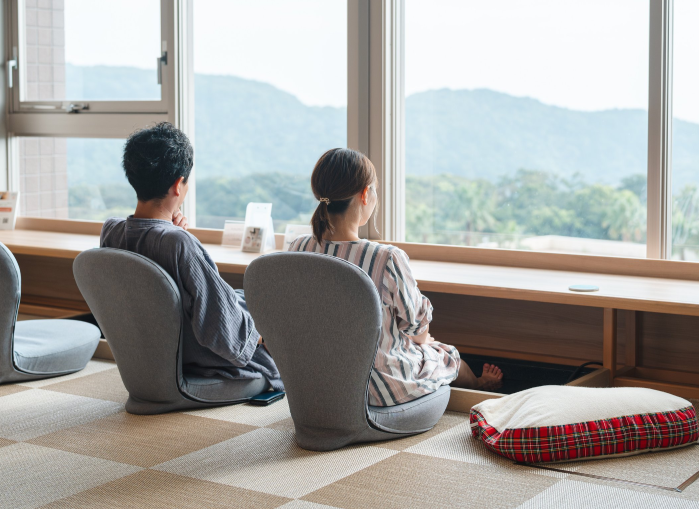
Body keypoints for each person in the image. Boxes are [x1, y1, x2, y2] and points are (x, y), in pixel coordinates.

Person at [287, 147, 501, 407]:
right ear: (365, 194)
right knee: (447, 355)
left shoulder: (298, 248)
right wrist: (424, 341)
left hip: (315, 385)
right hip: (378, 390)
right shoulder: (386, 258)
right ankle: (478, 385)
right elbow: (415, 326)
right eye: (374, 189)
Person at [101, 122, 282, 390]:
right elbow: (221, 329)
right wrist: (263, 335)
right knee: (273, 325)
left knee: (239, 296)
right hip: (201, 363)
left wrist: (171, 233)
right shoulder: (179, 243)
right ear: (178, 186)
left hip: (156, 354)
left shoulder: (111, 231)